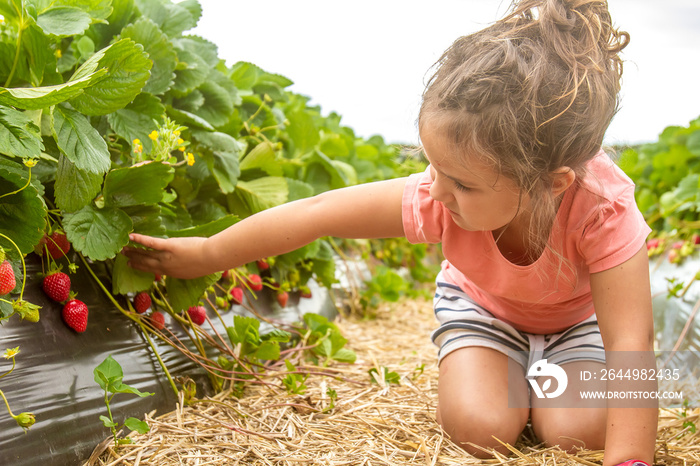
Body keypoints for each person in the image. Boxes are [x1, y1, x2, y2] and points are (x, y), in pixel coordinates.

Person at [122, 1, 656, 465]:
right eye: (433, 167)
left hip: (575, 326)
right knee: (480, 430)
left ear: (550, 182)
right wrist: (208, 253)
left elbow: (630, 343)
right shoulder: (439, 193)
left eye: (463, 183)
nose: (438, 192)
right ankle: (516, 378)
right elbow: (320, 211)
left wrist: (630, 459)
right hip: (485, 312)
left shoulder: (602, 211)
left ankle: (545, 385)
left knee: (575, 435)